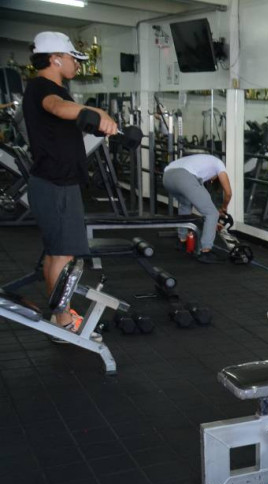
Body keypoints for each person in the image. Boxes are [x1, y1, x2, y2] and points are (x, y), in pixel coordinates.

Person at [22, 31, 117, 336]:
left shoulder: (46, 87)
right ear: (55, 59)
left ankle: (59, 316)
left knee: (57, 254)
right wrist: (96, 112)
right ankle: (62, 322)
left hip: (55, 181)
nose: (77, 65)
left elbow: (62, 122)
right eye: (73, 59)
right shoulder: (44, 89)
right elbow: (56, 108)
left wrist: (95, 123)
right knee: (62, 255)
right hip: (55, 183)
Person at [163, 154, 232, 264]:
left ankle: (182, 240)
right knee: (212, 214)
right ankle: (205, 251)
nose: (211, 181)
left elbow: (202, 198)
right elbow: (228, 193)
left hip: (167, 177)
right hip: (183, 176)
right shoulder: (220, 165)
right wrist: (223, 208)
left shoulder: (204, 164)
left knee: (185, 204)